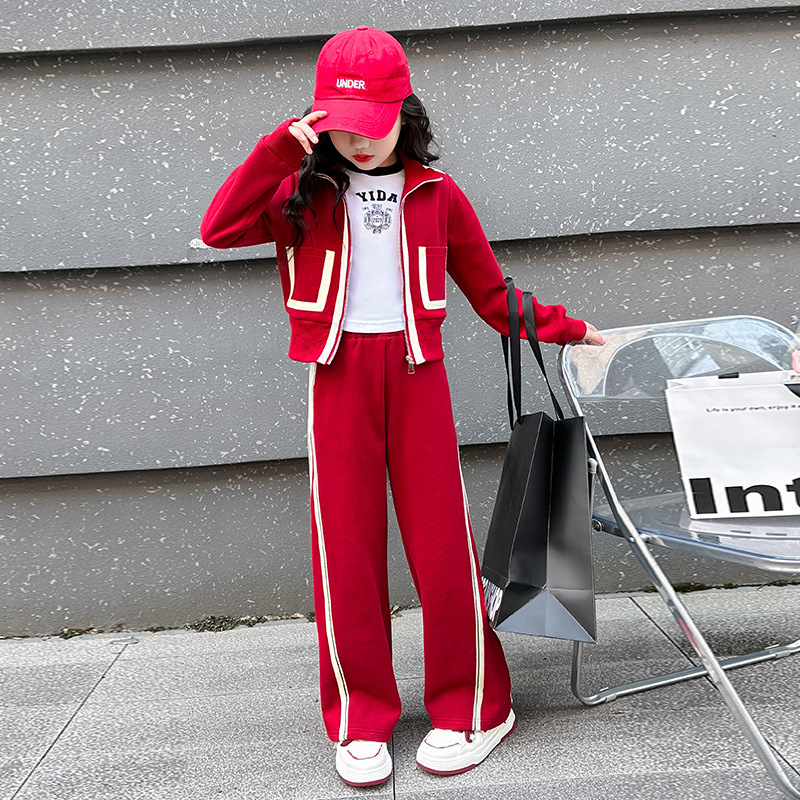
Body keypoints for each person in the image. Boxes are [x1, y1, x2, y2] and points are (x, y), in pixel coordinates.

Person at [200, 26, 605, 788]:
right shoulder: (301, 192)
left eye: (374, 123)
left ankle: (477, 706)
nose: (358, 140)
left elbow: (492, 294)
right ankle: (360, 716)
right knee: (344, 553)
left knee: (442, 548)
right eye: (340, 125)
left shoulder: (438, 195)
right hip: (337, 377)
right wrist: (278, 153)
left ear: (405, 114)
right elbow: (217, 228)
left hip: (419, 377)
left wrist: (570, 328)